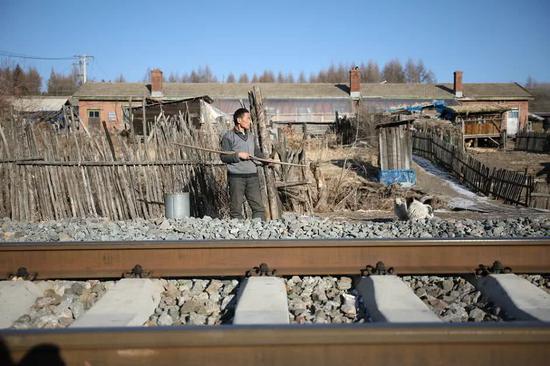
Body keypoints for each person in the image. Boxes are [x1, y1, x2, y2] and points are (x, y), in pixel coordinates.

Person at [220, 108, 266, 219]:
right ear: (239, 120)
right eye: (248, 118)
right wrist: (238, 155)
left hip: (252, 176)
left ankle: (259, 230)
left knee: (258, 207)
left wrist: (267, 161)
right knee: (236, 208)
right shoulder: (228, 137)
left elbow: (257, 153)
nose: (250, 121)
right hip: (236, 177)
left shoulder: (251, 136)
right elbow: (224, 157)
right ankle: (238, 232)